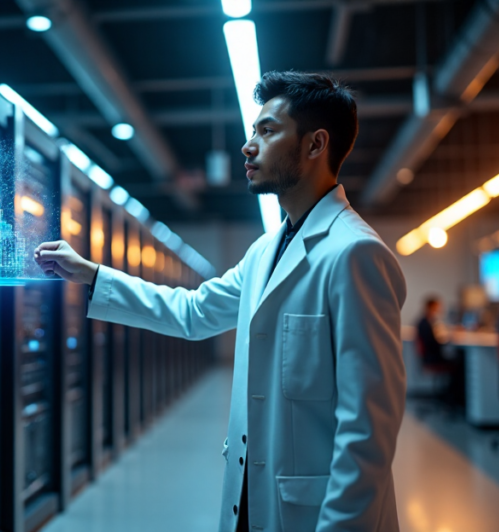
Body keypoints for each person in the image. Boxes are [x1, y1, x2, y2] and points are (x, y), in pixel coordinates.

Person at [35, 72, 405, 532]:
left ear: (316, 145)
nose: (249, 146)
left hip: (315, 516)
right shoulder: (266, 251)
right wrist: (91, 274)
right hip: (253, 501)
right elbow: (192, 313)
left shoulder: (354, 253)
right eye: (253, 131)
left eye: (267, 131)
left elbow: (368, 429)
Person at [416, 296, 449, 367]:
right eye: (436, 308)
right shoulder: (425, 324)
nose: (439, 310)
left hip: (429, 357)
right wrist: (447, 340)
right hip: (432, 358)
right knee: (459, 362)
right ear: (430, 308)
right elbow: (432, 343)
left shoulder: (426, 321)